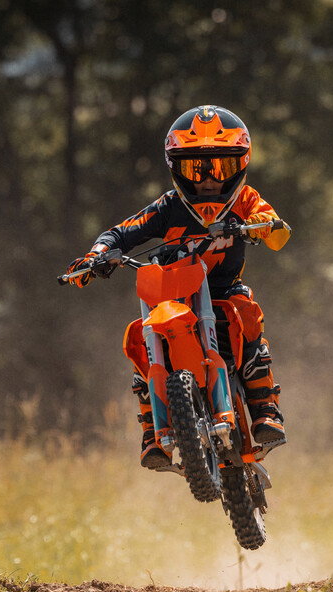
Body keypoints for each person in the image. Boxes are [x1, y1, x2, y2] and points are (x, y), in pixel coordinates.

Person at [66, 105, 291, 469]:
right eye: (194, 168)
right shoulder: (168, 207)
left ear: (240, 164)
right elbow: (122, 232)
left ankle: (266, 410)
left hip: (222, 292)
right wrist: (97, 256)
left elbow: (274, 225)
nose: (207, 180)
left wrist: (260, 227)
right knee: (139, 335)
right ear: (176, 169)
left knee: (245, 309)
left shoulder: (246, 199)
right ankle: (152, 432)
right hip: (173, 297)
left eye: (220, 168)